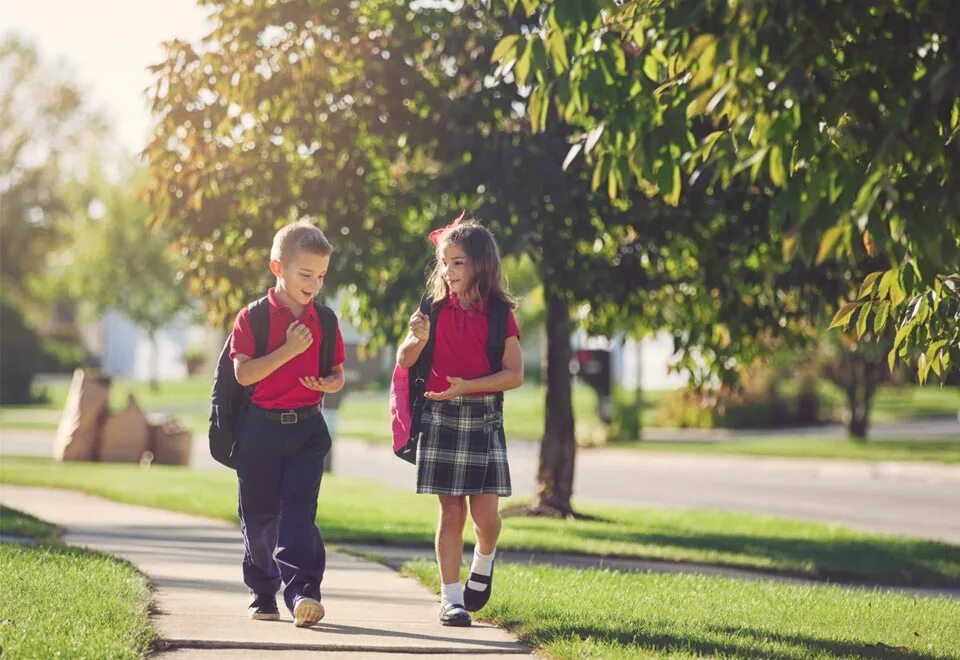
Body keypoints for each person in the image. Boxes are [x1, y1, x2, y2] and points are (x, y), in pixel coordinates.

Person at [395, 216, 523, 627]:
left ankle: (484, 559)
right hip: (440, 414)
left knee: (485, 517)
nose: (448, 272)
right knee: (451, 513)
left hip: (482, 416)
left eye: (458, 263)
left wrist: (465, 386)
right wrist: (416, 340)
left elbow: (514, 374)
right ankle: (451, 599)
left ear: (481, 265)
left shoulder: (500, 314)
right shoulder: (430, 308)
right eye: (444, 263)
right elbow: (404, 360)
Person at [229, 220, 345, 627]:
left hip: (307, 430)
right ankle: (263, 590)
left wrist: (331, 382)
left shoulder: (326, 321)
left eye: (321, 276)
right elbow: (243, 375)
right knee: (259, 517)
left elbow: (338, 373)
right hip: (259, 430)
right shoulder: (253, 318)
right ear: (277, 268)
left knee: (299, 514)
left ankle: (303, 592)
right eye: (305, 274)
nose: (314, 284)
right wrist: (288, 349)